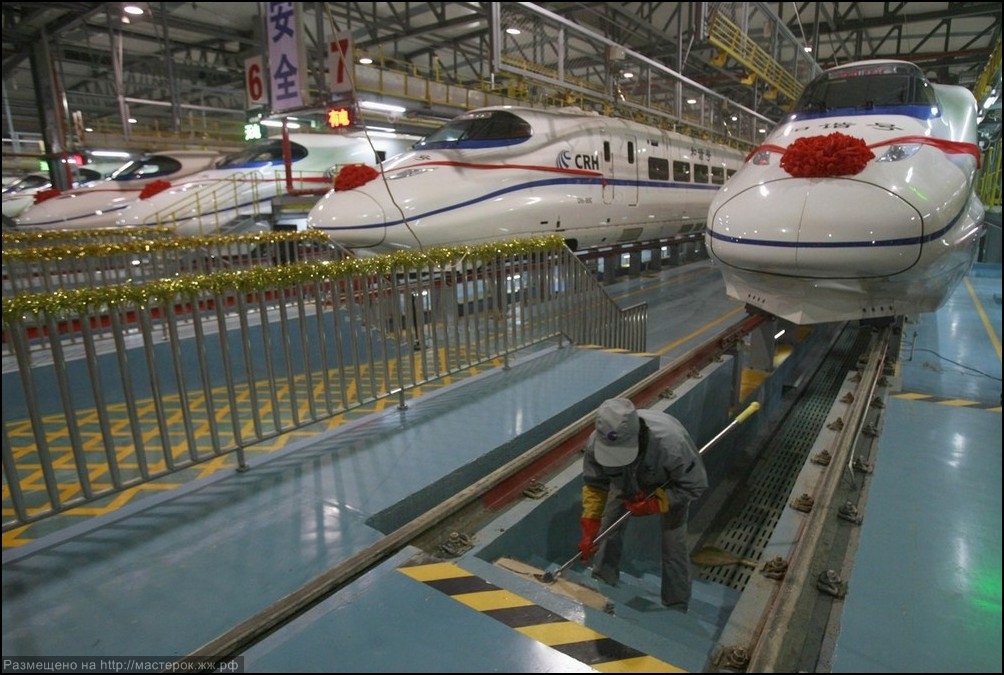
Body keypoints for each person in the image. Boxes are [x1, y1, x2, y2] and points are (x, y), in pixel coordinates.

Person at [579, 397, 708, 612]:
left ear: (637, 436)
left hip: (668, 485)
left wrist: (657, 503)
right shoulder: (596, 444)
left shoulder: (672, 443)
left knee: (673, 543)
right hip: (625, 482)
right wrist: (590, 525)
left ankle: (676, 604)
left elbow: (695, 486)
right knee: (608, 528)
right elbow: (596, 485)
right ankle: (603, 580)